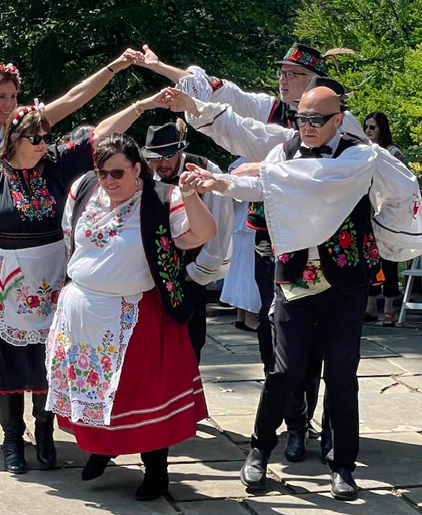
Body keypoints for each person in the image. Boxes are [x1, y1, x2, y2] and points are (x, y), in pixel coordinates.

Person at [180, 84, 422, 501]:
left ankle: (342, 464)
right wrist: (219, 183)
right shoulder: (285, 153)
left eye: (315, 120)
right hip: (295, 275)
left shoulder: (359, 155)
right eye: (301, 119)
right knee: (283, 370)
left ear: (336, 120)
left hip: (345, 279)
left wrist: (248, 174)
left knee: (342, 374)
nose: (305, 127)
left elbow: (314, 180)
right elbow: (265, 187)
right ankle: (259, 449)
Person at [0, 52, 136, 452]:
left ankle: (38, 425)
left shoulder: (27, 131)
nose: (9, 104)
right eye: (1, 96)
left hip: (21, 242)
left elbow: (74, 100)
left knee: (31, 337)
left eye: (14, 96)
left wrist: (116, 67)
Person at [45, 134, 214, 501]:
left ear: (138, 169)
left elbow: (204, 233)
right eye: (102, 172)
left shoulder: (161, 199)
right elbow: (69, 237)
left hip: (135, 313)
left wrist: (188, 195)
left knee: (140, 395)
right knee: (95, 390)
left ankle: (156, 472)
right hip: (84, 311)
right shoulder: (84, 188)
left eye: (118, 172)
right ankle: (103, 450)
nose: (109, 180)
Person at [94, 95, 234, 362]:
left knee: (192, 340)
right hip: (154, 276)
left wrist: (199, 271)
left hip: (192, 272)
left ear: (180, 150)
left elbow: (221, 225)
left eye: (168, 155)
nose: (162, 163)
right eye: (155, 157)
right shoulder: (144, 178)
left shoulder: (204, 169)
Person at [363, 112, 407, 325]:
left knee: (388, 261)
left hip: (390, 215)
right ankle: (371, 307)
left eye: (373, 127)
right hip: (370, 213)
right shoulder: (365, 152)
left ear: (382, 129)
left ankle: (389, 309)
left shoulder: (392, 152)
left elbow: (404, 183)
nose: (369, 131)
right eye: (366, 127)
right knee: (371, 259)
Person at [220, 158, 261, 331]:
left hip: (242, 224)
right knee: (247, 272)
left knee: (240, 271)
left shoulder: (238, 164)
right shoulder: (242, 164)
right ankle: (249, 317)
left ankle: (242, 316)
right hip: (247, 224)